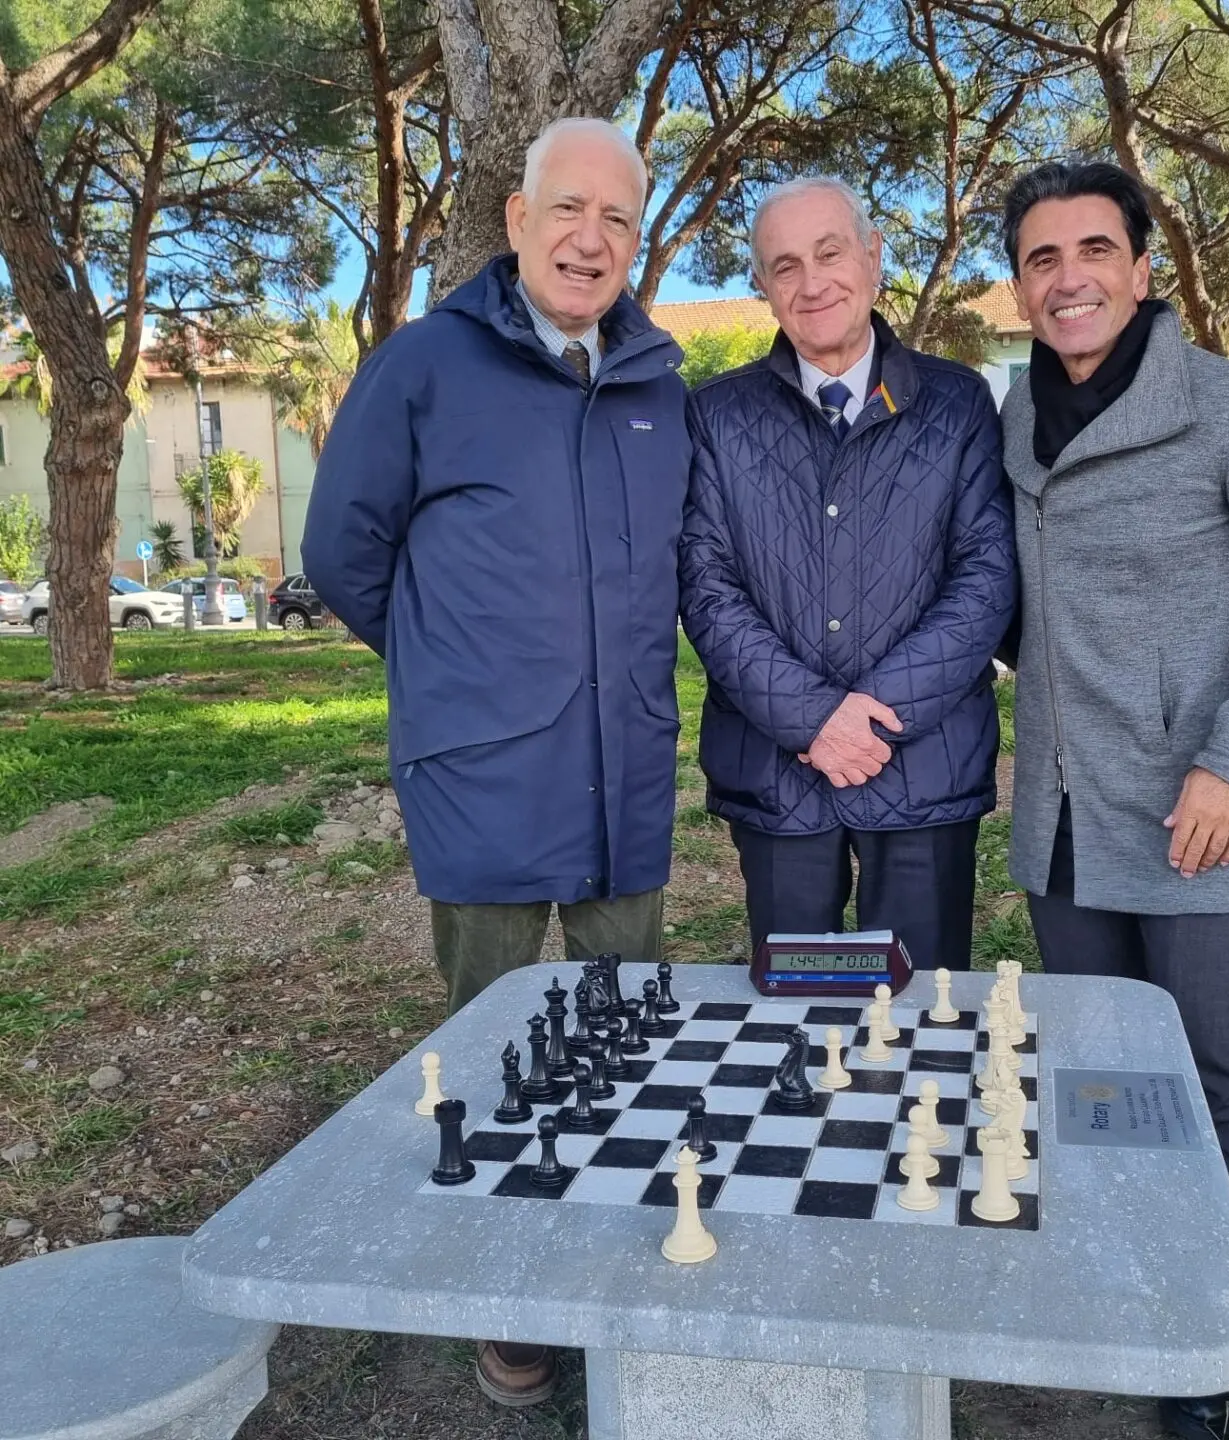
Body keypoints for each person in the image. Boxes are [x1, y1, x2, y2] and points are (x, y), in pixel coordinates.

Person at [301, 116, 690, 1407]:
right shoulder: (424, 367)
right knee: (493, 1058)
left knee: (624, 1038)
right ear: (515, 224)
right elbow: (347, 554)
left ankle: (624, 1268)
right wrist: (447, 672)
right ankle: (513, 1298)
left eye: (618, 220)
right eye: (567, 211)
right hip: (483, 782)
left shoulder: (654, 385)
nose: (591, 238)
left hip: (624, 776)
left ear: (638, 242)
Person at [999, 159, 1229, 1440]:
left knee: (1207, 1065)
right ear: (1022, 286)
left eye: (1094, 249)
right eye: (1043, 259)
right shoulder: (1011, 420)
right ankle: (1133, 1267)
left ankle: (1223, 1324)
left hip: (1189, 808)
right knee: (1096, 1062)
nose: (1070, 278)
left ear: (1143, 268)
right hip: (1053, 808)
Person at [679, 176, 1016, 971]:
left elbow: (987, 575)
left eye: (830, 252)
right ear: (763, 290)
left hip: (923, 767)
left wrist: (875, 716)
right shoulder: (716, 415)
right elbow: (704, 581)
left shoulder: (959, 404)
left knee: (922, 1018)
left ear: (871, 257)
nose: (812, 281)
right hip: (778, 772)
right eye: (784, 265)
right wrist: (809, 719)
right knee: (798, 1024)